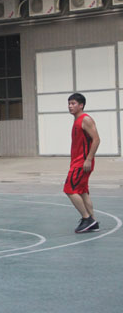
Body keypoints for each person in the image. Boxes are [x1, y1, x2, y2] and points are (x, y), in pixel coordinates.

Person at [65, 93, 101, 233]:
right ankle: (93, 221)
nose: (70, 106)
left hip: (82, 162)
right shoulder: (77, 120)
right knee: (83, 192)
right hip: (78, 161)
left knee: (69, 190)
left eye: (73, 103)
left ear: (81, 105)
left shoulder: (85, 119)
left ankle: (87, 219)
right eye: (69, 103)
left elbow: (96, 139)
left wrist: (89, 159)